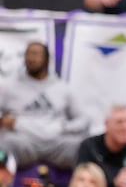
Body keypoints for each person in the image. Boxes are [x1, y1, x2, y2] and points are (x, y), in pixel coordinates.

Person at [0, 42, 90, 171]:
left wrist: (64, 127)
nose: (31, 58)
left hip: (57, 142)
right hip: (23, 142)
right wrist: (4, 120)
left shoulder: (62, 88)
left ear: (47, 59)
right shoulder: (9, 86)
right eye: (28, 54)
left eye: (36, 54)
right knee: (4, 143)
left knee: (82, 146)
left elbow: (84, 120)